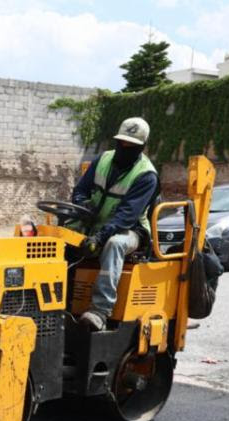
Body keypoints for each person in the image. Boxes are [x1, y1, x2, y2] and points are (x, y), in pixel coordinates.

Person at [70, 117, 158, 330]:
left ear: (142, 147)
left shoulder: (147, 175)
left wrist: (99, 238)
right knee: (59, 238)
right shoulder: (103, 159)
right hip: (95, 223)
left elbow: (126, 217)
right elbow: (80, 190)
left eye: (131, 145)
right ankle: (62, 299)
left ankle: (100, 311)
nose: (125, 148)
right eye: (122, 143)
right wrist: (83, 204)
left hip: (131, 230)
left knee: (115, 244)